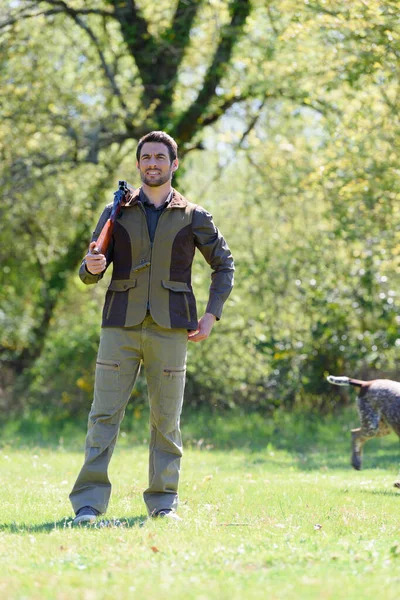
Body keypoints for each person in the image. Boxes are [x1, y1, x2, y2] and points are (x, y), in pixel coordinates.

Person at [70, 131, 234, 524]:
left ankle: (163, 504)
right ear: (139, 163)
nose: (153, 163)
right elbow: (89, 269)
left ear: (174, 164)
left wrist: (211, 314)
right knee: (103, 417)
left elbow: (224, 265)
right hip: (119, 327)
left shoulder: (194, 215)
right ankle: (88, 505)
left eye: (161, 157)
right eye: (146, 158)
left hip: (171, 329)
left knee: (166, 420)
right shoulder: (117, 211)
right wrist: (90, 268)